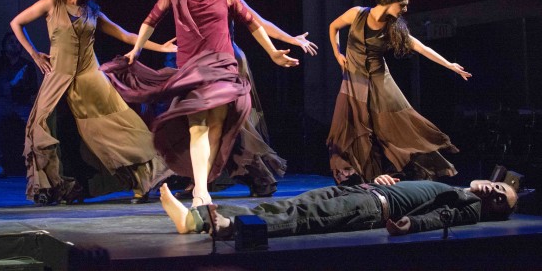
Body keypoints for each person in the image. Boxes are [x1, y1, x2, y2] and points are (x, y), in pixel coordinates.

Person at [101, 0, 299, 208]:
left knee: (215, 127)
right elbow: (151, 20)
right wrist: (136, 50)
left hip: (223, 68)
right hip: (193, 69)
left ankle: (202, 186)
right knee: (198, 127)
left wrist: (273, 51)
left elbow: (254, 23)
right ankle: (200, 190)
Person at [10, 0, 176, 204]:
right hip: (57, 75)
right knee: (43, 127)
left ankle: (142, 181)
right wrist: (34, 55)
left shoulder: (93, 12)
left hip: (90, 76)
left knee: (116, 126)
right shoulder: (52, 4)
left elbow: (125, 35)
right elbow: (17, 23)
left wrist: (159, 47)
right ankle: (60, 187)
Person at [327, 0, 472, 184]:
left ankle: (401, 172)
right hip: (353, 80)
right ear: (389, 1)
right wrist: (337, 53)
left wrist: (449, 65)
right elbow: (333, 27)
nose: (404, 10)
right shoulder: (357, 14)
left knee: (394, 124)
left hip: (379, 80)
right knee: (352, 126)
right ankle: (359, 177)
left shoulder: (393, 27)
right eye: (402, 5)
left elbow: (420, 47)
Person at [220, 0, 317, 196]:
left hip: (228, 61)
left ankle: (260, 176)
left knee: (233, 121)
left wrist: (290, 40)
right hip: (201, 62)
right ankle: (200, 180)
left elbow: (259, 23)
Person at [159, 175, 518, 238]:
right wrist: (382, 179)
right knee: (292, 205)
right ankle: (197, 219)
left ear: (493, 209)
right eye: (500, 188)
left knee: (302, 218)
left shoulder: (469, 204)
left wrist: (412, 225)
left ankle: (221, 227)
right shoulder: (456, 185)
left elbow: (442, 217)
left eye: (500, 200)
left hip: (370, 209)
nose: (495, 192)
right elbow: (417, 193)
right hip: (365, 192)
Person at [0, 32, 38, 178]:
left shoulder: (27, 65)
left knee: (35, 125)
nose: (15, 44)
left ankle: (35, 163)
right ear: (4, 45)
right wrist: (12, 84)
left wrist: (20, 89)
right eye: (11, 42)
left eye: (17, 42)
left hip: (21, 104)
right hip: (1, 104)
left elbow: (33, 88)